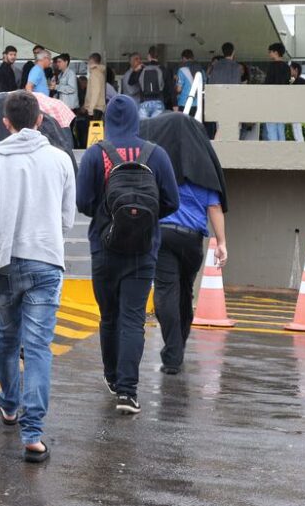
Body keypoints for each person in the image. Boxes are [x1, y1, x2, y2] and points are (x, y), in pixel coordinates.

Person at [0, 90, 75, 463]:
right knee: (37, 348)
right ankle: (32, 435)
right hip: (46, 262)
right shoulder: (61, 159)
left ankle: (10, 406)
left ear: (6, 123)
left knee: (5, 338)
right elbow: (67, 219)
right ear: (39, 120)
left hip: (4, 261)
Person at [76, 95, 178, 415]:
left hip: (103, 248)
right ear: (136, 118)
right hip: (144, 250)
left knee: (109, 316)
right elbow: (172, 202)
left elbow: (82, 201)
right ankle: (127, 391)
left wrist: (110, 215)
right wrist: (142, 219)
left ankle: (111, 376)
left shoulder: (96, 154)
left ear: (107, 120)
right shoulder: (155, 154)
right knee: (133, 318)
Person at [140, 113, 228, 375]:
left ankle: (173, 351)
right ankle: (178, 346)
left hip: (163, 234)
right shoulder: (204, 170)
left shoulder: (159, 167)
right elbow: (214, 207)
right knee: (184, 292)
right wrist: (222, 242)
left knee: (166, 291)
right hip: (191, 240)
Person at [262, 42, 290, 142]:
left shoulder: (271, 66)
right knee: (280, 127)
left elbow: (267, 83)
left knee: (271, 127)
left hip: (271, 99)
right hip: (282, 100)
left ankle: (273, 151)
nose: (269, 54)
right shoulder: (287, 67)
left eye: (270, 52)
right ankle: (282, 150)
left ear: (276, 52)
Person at [84, 52, 107, 119]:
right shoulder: (100, 72)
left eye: (88, 61)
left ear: (91, 61)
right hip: (98, 107)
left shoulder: (94, 74)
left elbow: (95, 92)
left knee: (92, 129)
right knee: (96, 129)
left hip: (95, 108)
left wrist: (90, 109)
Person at [289, 61, 305, 142]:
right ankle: (299, 142)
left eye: (290, 69)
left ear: (295, 70)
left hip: (298, 108)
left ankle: (300, 142)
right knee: (296, 127)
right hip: (296, 107)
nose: (289, 71)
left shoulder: (300, 81)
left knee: (296, 126)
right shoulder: (292, 81)